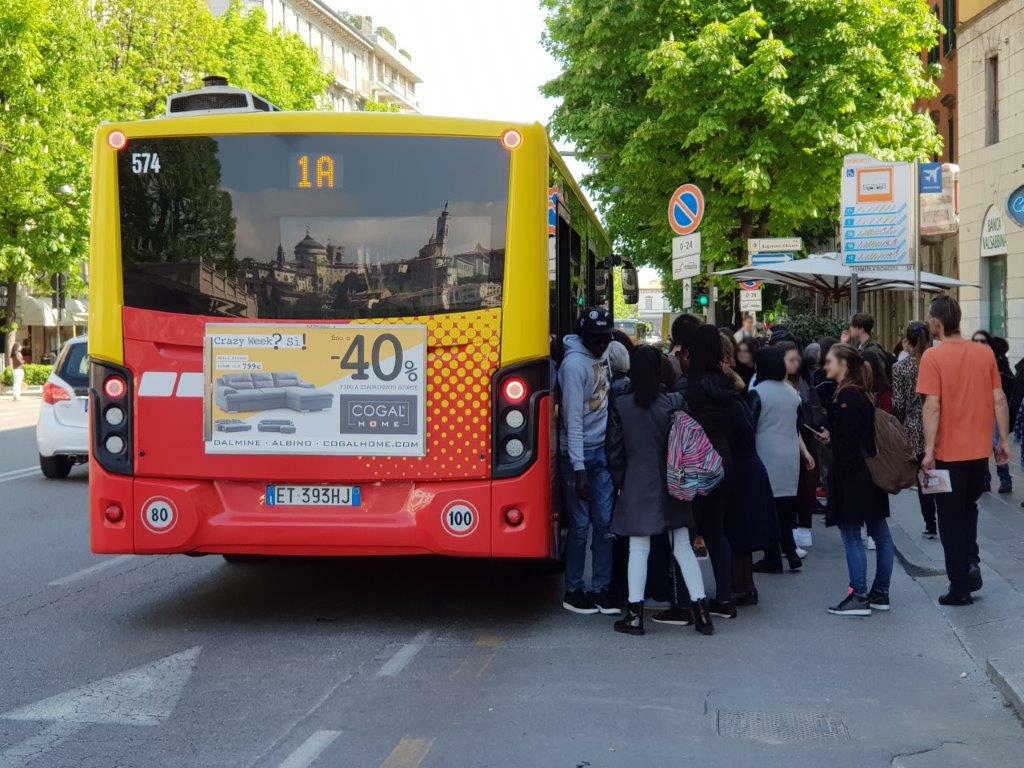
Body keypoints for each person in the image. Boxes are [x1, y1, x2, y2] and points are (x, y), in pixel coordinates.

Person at [609, 346, 713, 636]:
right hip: (674, 479)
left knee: (638, 548)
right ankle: (702, 613)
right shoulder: (675, 401)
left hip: (637, 482)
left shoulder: (620, 405)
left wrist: (621, 481)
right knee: (682, 546)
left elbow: (613, 451)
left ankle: (634, 614)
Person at [919, 297, 1011, 606]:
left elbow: (932, 406)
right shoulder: (984, 352)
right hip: (978, 454)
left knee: (949, 519)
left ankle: (959, 587)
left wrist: (928, 451)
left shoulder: (933, 357)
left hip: (947, 454)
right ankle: (971, 563)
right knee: (969, 508)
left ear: (936, 323)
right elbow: (999, 398)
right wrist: (1002, 443)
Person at [816, 343, 894, 616]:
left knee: (852, 534)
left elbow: (847, 444)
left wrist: (831, 439)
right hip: (869, 473)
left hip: (853, 476)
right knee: (880, 533)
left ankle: (858, 594)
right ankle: (880, 592)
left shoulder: (847, 395)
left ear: (844, 365)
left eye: (830, 361)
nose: (826, 366)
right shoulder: (862, 394)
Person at [558, 307, 619, 616]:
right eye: (596, 339)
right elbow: (573, 421)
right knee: (581, 525)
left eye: (606, 337)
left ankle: (601, 588)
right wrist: (578, 467)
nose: (602, 343)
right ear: (584, 337)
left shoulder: (603, 356)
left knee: (604, 523)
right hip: (578, 456)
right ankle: (575, 589)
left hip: (600, 453)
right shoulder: (573, 367)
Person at [682, 325, 740, 618]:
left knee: (686, 531)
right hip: (722, 457)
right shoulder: (726, 385)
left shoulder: (688, 386)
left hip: (694, 460)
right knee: (717, 532)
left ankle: (688, 598)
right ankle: (725, 598)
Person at [751, 346, 813, 573]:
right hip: (789, 455)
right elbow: (797, 426)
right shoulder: (792, 394)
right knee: (785, 510)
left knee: (767, 510)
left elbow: (752, 424)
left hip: (765, 453)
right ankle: (790, 552)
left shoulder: (758, 392)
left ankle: (773, 558)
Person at [892, 322, 937, 538]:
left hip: (914, 426)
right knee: (938, 470)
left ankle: (930, 523)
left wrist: (900, 425)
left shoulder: (900, 367)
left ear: (908, 342)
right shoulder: (937, 363)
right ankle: (945, 515)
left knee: (923, 476)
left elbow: (898, 403)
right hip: (939, 424)